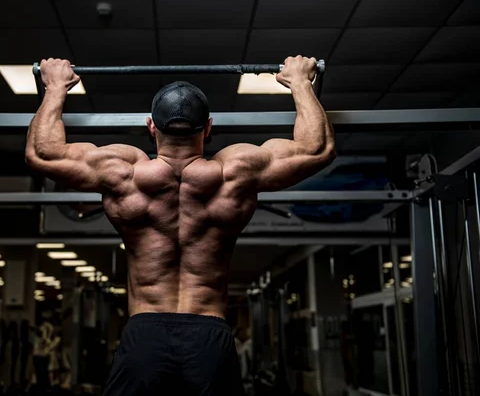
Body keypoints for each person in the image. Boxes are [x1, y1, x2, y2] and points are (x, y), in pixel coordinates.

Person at [26, 56, 335, 396]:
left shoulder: (123, 174)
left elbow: (43, 153)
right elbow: (316, 149)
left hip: (145, 334)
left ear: (151, 127)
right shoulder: (236, 172)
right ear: (208, 127)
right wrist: (301, 82)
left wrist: (55, 86)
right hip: (209, 336)